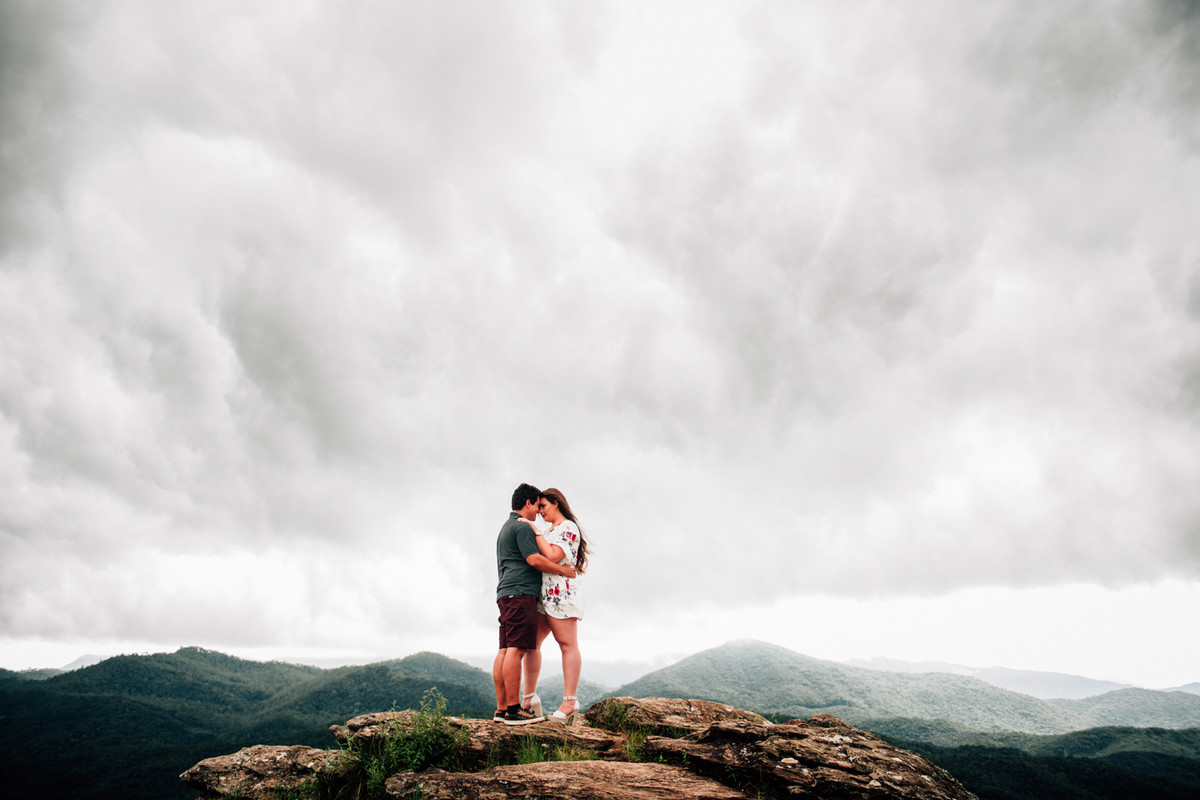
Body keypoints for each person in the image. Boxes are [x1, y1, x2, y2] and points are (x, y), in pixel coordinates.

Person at [493, 483, 576, 725]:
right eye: (537, 506)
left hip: (505, 592)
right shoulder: (522, 527)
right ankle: (513, 710)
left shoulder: (506, 527)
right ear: (528, 503)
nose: (538, 512)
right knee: (516, 649)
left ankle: (501, 710)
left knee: (504, 649)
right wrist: (562, 570)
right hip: (520, 593)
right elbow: (535, 560)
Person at [520, 487, 589, 725]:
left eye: (544, 506)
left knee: (567, 644)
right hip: (543, 595)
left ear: (556, 503)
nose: (540, 511)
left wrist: (533, 530)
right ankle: (528, 698)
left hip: (562, 594)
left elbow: (551, 556)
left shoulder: (568, 527)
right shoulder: (550, 530)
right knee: (531, 644)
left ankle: (570, 702)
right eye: (538, 507)